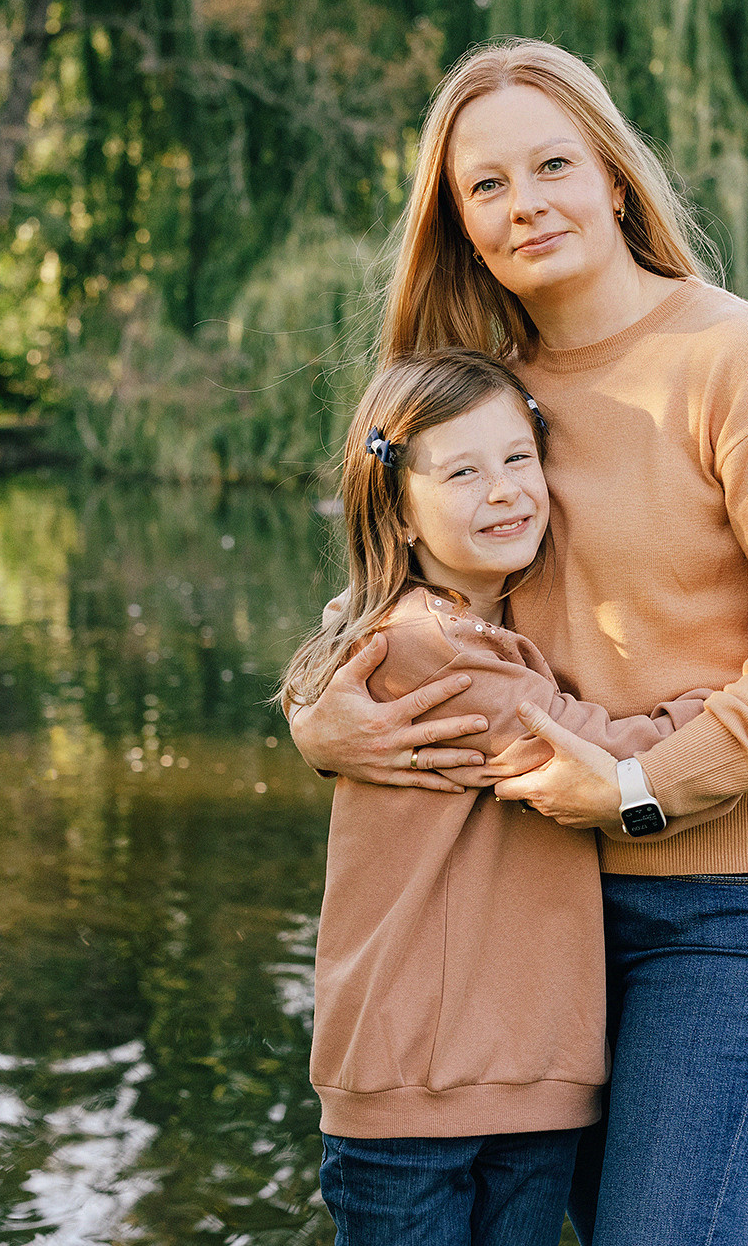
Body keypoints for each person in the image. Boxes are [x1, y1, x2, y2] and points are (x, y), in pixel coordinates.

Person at [289, 38, 748, 1246]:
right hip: (536, 910)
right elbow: (393, 590)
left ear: (613, 177)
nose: (526, 204)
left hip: (734, 912)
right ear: (457, 222)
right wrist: (315, 710)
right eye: (486, 186)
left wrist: (633, 787)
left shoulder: (739, 361)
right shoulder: (481, 398)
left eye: (551, 163)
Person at [278, 350, 710, 1245]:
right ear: (397, 511)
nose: (506, 490)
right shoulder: (425, 646)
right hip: (420, 1091)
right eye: (464, 471)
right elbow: (581, 744)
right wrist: (722, 714)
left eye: (519, 458)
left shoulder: (478, 625)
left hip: (521, 1077)